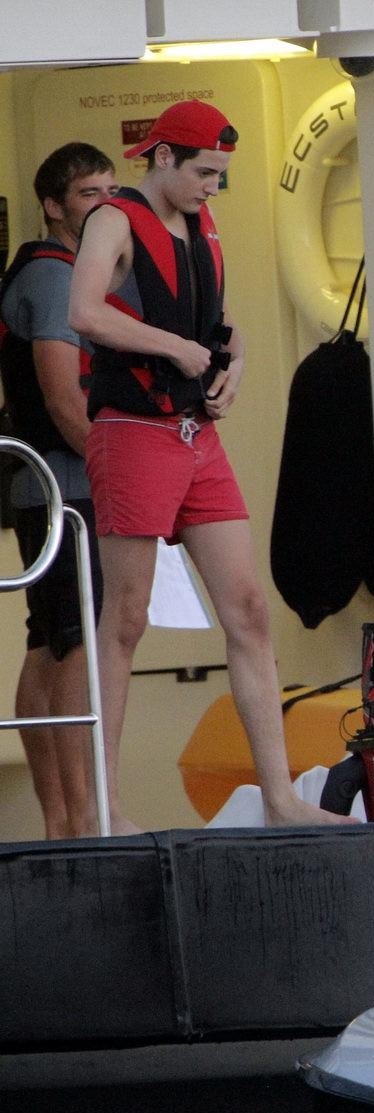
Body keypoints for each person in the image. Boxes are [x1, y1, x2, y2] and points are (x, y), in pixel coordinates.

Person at [68, 100, 346, 832]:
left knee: (250, 613)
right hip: (134, 432)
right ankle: (106, 808)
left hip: (197, 436)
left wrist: (236, 360)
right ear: (163, 158)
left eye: (221, 176)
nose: (213, 189)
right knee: (125, 620)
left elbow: (214, 323)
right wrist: (171, 348)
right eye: (205, 173)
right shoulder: (115, 220)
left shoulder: (199, 223)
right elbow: (85, 312)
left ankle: (281, 799)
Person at [0, 144, 116, 837]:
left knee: (49, 642)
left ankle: (62, 820)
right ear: (54, 204)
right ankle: (77, 818)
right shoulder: (51, 279)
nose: (103, 203)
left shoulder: (63, 273)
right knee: (78, 643)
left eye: (110, 190)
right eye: (87, 193)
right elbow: (62, 397)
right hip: (63, 487)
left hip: (41, 486)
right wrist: (116, 471)